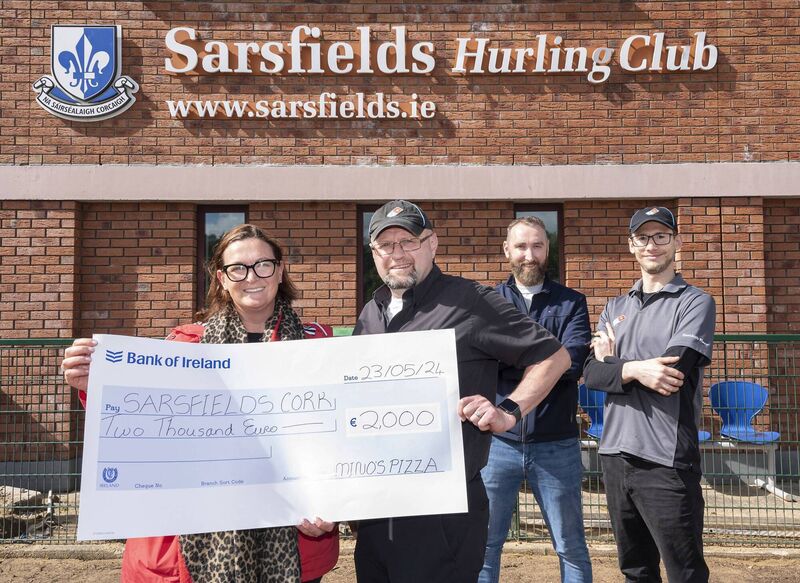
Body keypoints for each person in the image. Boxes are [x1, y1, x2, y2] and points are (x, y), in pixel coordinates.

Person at [61, 224, 338, 583]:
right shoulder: (181, 348)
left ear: (280, 270)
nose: (251, 276)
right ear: (222, 278)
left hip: (295, 549)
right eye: (238, 268)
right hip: (188, 552)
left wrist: (332, 501)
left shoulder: (321, 347)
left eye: (263, 265)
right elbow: (137, 427)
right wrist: (93, 387)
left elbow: (335, 440)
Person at [352, 200, 572, 583]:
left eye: (408, 241)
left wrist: (509, 411)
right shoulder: (372, 311)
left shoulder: (470, 301)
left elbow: (554, 356)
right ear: (374, 254)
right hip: (377, 510)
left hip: (441, 515)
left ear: (432, 244)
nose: (397, 253)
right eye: (385, 246)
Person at [583, 207, 716, 583]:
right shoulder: (616, 306)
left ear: (676, 242)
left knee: (684, 571)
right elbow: (591, 373)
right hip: (613, 455)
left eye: (661, 236)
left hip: (666, 458)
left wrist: (615, 363)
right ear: (631, 246)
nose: (652, 245)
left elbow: (674, 371)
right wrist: (638, 368)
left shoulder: (695, 302)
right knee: (635, 569)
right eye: (643, 238)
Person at [479, 216, 592, 583]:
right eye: (522, 246)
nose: (530, 254)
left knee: (570, 546)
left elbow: (573, 361)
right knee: (485, 546)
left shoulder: (572, 302)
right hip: (496, 444)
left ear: (547, 249)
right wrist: (547, 361)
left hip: (556, 443)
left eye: (538, 246)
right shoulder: (487, 302)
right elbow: (484, 361)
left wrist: (516, 361)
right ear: (507, 251)